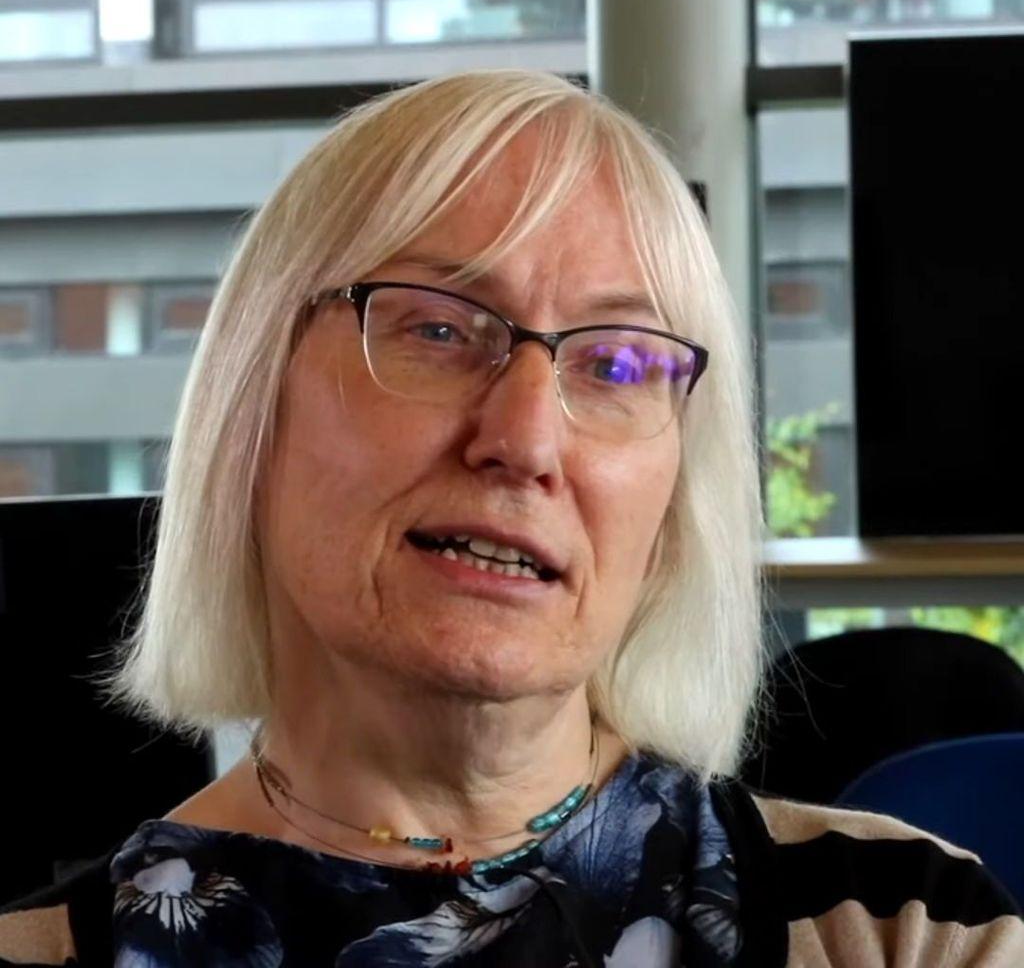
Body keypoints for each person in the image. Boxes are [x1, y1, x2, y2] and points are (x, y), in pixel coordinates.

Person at [1, 69, 1019, 967]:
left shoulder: (908, 929)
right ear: (251, 408)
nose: (526, 439)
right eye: (438, 329)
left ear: (669, 503)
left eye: (619, 363)